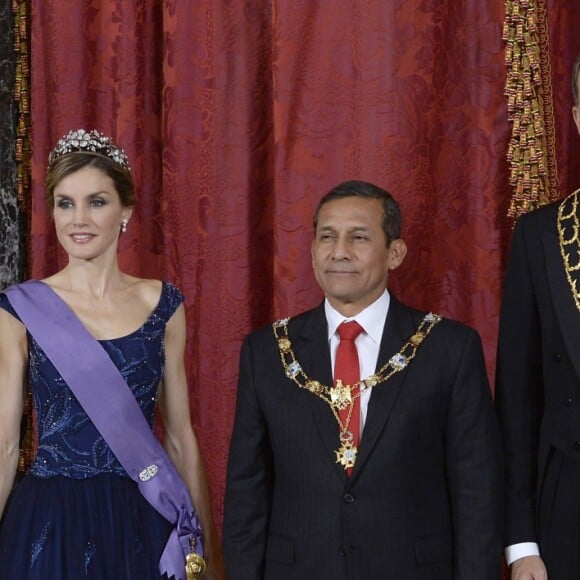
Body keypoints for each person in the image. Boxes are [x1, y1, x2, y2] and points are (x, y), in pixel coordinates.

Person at [223, 180, 503, 579]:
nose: (339, 252)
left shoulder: (449, 348)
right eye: (327, 237)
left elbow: (478, 492)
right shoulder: (266, 351)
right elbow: (246, 495)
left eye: (358, 237)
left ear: (395, 252)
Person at [0, 129, 225, 579]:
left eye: (96, 202)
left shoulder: (164, 306)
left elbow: (180, 438)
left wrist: (209, 553)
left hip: (141, 513)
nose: (78, 219)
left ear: (125, 210)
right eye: (65, 203)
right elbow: (5, 445)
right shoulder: (20, 308)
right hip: (51, 521)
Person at [495, 55, 580, 580]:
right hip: (567, 512)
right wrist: (521, 543)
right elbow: (517, 403)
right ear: (576, 115)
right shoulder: (540, 237)